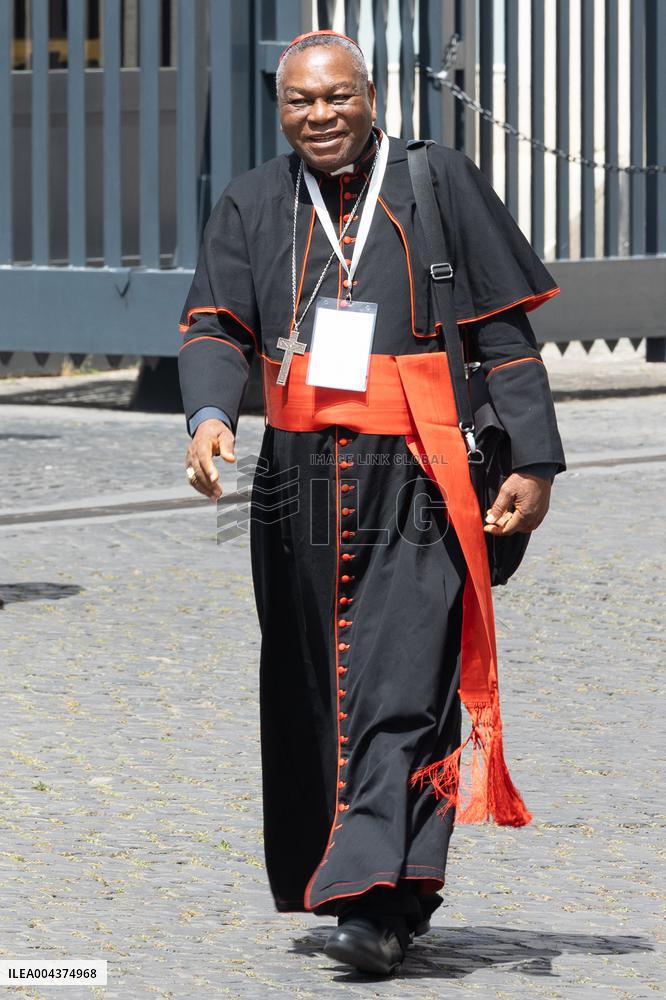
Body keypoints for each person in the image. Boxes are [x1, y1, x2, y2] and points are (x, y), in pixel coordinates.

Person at [178, 30, 565, 976]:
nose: (320, 116)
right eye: (300, 102)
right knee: (317, 678)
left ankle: (375, 898)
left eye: (336, 98)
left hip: (423, 470)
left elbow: (502, 332)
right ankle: (386, 884)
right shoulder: (253, 201)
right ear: (281, 109)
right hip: (300, 475)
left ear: (371, 94)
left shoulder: (437, 182)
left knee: (401, 681)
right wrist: (207, 415)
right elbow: (215, 324)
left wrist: (536, 461)